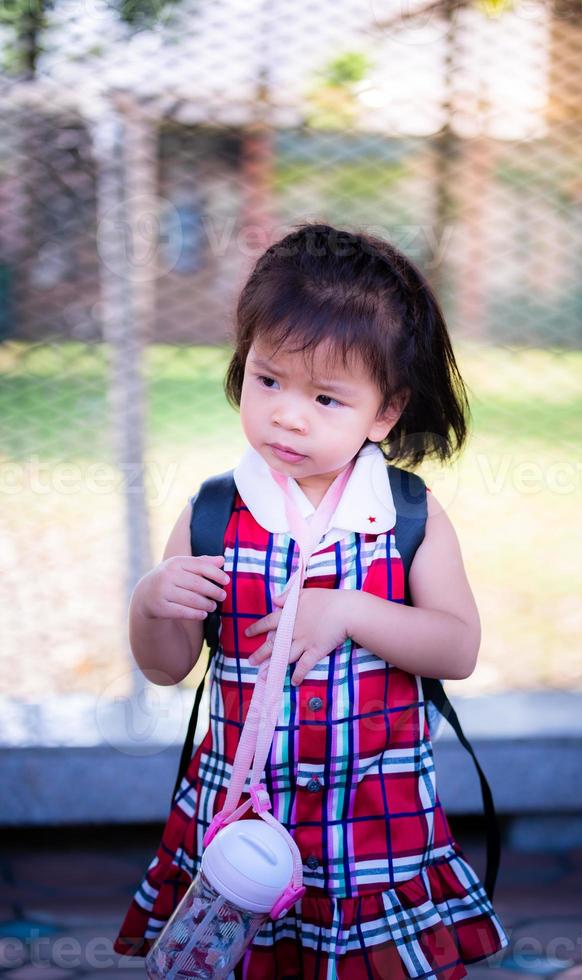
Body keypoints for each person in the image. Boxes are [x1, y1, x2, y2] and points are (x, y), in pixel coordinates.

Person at [113, 222, 510, 978]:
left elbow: (457, 648)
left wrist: (352, 610)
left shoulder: (405, 515)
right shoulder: (215, 512)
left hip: (372, 819)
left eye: (327, 397)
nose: (288, 415)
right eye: (269, 381)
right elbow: (167, 668)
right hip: (244, 817)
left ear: (385, 412)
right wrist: (150, 603)